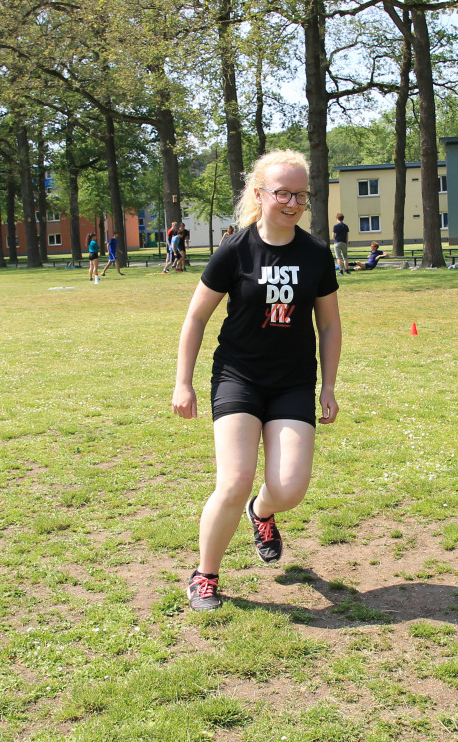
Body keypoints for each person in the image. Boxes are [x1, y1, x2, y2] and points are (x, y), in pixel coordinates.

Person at [172, 150, 342, 611]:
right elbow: (196, 317)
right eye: (283, 192)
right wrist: (182, 382)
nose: (293, 202)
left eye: (301, 194)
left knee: (289, 488)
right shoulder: (235, 248)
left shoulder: (316, 254)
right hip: (238, 377)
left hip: (292, 382)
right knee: (233, 481)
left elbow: (328, 324)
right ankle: (205, 575)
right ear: (261, 194)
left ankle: (262, 512)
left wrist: (328, 386)